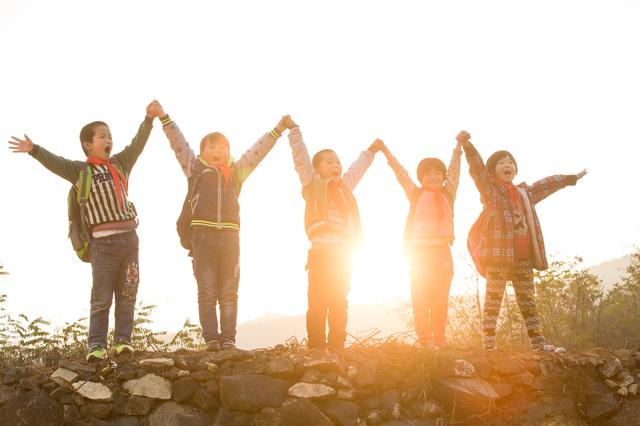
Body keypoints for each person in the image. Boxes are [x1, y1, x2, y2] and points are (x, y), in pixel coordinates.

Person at [8, 100, 161, 361]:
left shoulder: (121, 164)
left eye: (110, 135)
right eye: (102, 136)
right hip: (102, 245)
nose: (108, 138)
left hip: (129, 241)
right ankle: (97, 346)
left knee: (128, 294)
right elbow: (55, 162)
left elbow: (137, 145)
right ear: (88, 145)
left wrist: (148, 120)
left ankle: (123, 341)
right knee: (101, 298)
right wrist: (34, 150)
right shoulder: (80, 171)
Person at [155, 101, 291, 351]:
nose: (218, 150)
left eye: (223, 146)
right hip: (202, 236)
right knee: (207, 290)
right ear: (203, 151)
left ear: (229, 151)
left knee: (229, 291)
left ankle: (228, 338)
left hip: (230, 237)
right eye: (212, 146)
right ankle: (211, 340)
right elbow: (179, 144)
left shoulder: (236, 172)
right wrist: (164, 118)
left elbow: (256, 153)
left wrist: (278, 130)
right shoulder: (195, 169)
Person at [459, 130, 587, 353]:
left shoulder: (525, 193)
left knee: (528, 303)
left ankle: (539, 345)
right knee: (492, 302)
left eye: (510, 162)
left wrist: (570, 179)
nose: (507, 165)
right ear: (492, 170)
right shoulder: (491, 191)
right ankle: (489, 346)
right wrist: (468, 147)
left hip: (523, 257)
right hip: (498, 256)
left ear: (516, 169)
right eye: (501, 162)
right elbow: (477, 170)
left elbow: (546, 184)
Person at [287, 117, 383, 351]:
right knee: (318, 303)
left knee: (339, 302)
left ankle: (337, 346)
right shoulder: (313, 186)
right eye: (329, 162)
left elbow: (357, 169)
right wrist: (294, 130)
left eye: (337, 162)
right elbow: (301, 159)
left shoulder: (345, 188)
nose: (336, 165)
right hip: (320, 254)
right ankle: (317, 347)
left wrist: (370, 151)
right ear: (317, 168)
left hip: (343, 255)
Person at [379, 133, 463, 349]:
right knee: (420, 298)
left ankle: (439, 338)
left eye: (438, 173)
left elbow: (454, 171)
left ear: (444, 177)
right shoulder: (415, 194)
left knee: (440, 300)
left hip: (442, 252)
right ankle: (425, 340)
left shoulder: (448, 194)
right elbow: (401, 173)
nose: (434, 176)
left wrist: (458, 147)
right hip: (418, 255)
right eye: (428, 173)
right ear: (420, 178)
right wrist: (386, 151)